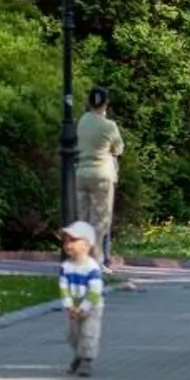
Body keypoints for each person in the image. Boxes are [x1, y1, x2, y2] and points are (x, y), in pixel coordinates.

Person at [74, 86, 125, 267]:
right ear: (106, 103)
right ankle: (95, 262)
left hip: (81, 174)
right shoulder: (108, 126)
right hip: (102, 175)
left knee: (83, 218)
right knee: (100, 220)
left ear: (89, 102)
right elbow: (118, 149)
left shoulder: (82, 121)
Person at [59, 220, 104, 377]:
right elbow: (64, 287)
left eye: (73, 240)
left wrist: (83, 307)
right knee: (73, 334)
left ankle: (87, 360)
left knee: (89, 332)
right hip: (74, 306)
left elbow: (95, 291)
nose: (68, 245)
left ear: (86, 245)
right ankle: (78, 355)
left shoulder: (92, 267)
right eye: (65, 241)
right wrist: (69, 305)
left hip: (91, 307)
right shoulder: (66, 267)